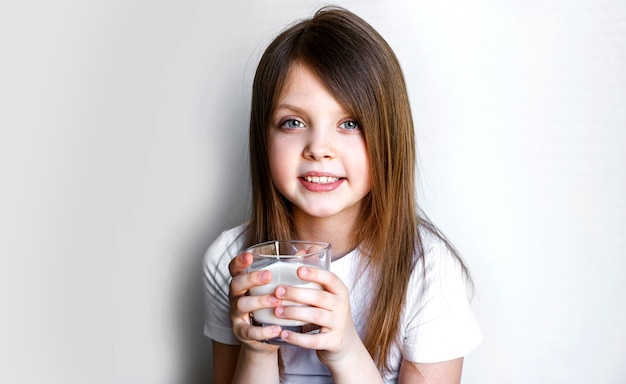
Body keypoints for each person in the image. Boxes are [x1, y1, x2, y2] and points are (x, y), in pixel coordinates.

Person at [203, 6, 482, 384]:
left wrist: (346, 351)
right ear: (263, 137)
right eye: (293, 122)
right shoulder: (230, 259)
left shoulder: (429, 273)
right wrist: (257, 352)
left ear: (388, 136)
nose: (319, 147)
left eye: (349, 123)